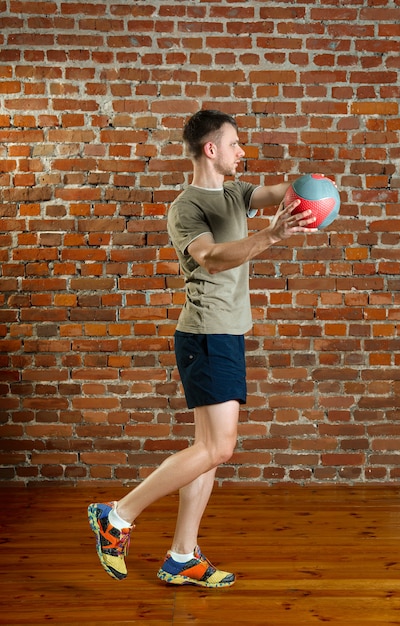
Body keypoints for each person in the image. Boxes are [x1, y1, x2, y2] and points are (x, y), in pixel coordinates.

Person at [88, 109, 316, 588]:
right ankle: (118, 516)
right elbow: (211, 258)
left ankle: (181, 556)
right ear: (211, 149)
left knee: (207, 450)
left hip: (226, 332)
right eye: (234, 144)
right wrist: (273, 234)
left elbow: (280, 192)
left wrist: (314, 188)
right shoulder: (186, 208)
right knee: (221, 446)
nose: (241, 152)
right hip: (206, 335)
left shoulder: (236, 192)